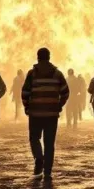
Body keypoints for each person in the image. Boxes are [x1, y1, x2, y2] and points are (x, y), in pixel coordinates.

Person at [22, 48, 70, 180]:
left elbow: (25, 92)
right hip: (51, 115)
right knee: (49, 143)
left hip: (35, 113)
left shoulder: (32, 74)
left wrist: (27, 107)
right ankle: (47, 171)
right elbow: (65, 92)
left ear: (38, 57)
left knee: (34, 138)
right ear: (49, 57)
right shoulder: (57, 74)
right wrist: (59, 105)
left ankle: (38, 158)